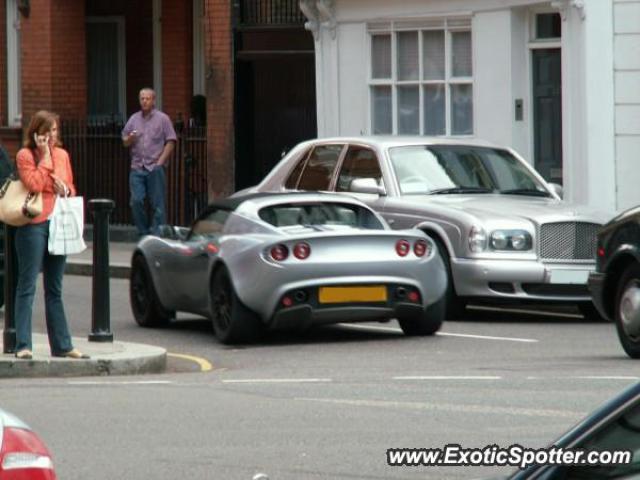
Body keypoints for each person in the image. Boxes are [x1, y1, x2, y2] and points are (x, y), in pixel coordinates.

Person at [14, 110, 88, 360]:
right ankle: (23, 345)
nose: (52, 136)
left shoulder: (63, 155)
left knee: (54, 288)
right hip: (33, 225)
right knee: (27, 285)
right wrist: (44, 158)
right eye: (47, 132)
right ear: (36, 134)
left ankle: (63, 345)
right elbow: (33, 184)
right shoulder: (25, 155)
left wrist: (64, 188)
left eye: (55, 131)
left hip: (59, 223)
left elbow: (71, 186)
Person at [122, 88, 177, 236]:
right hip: (137, 167)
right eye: (142, 98)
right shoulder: (134, 119)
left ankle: (157, 234)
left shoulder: (163, 119)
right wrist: (130, 139)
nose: (144, 101)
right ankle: (143, 232)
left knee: (157, 204)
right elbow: (124, 141)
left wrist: (160, 162)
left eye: (147, 98)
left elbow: (171, 141)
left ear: (153, 100)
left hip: (154, 166)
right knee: (136, 201)